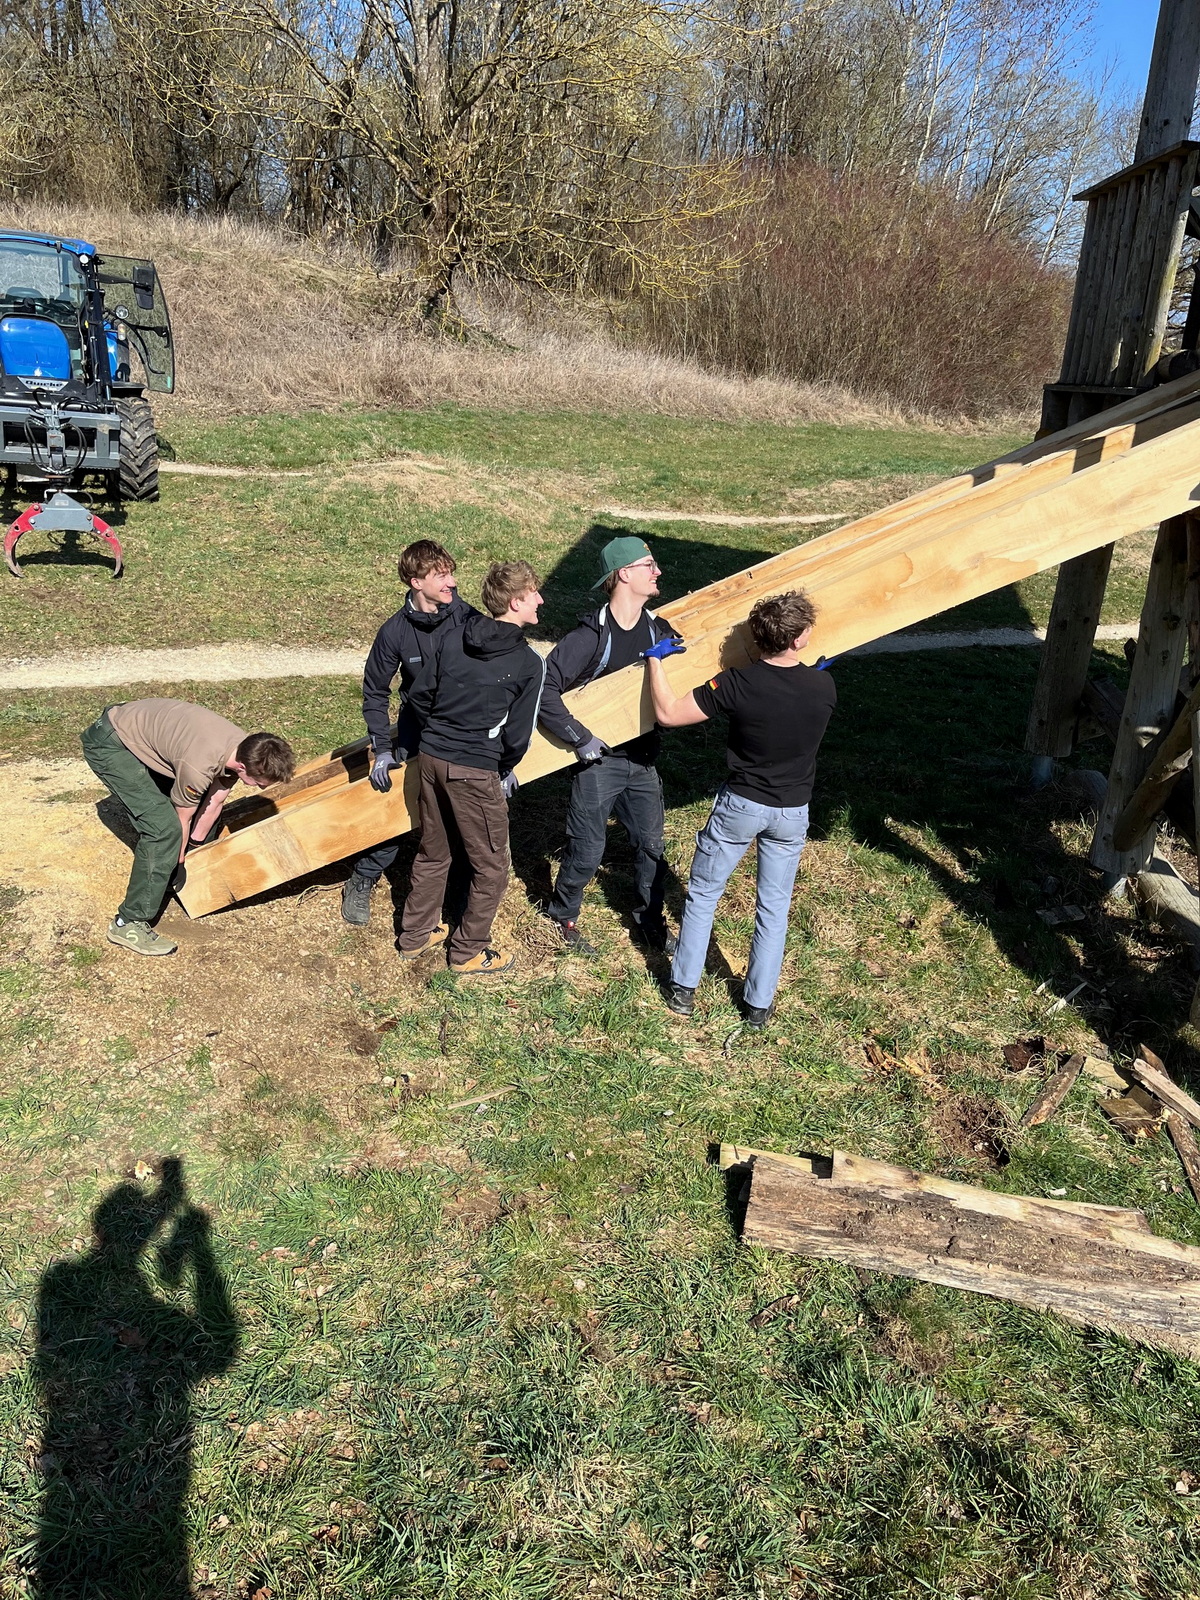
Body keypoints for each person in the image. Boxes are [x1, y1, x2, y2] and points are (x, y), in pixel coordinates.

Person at [644, 589, 835, 1028]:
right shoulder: (824, 686)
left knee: (705, 895)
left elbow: (669, 714)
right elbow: (802, 696)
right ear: (801, 639)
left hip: (741, 805)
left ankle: (684, 989)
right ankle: (757, 1005)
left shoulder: (737, 683)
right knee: (773, 906)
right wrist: (815, 676)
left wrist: (655, 661)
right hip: (792, 813)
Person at [397, 560, 547, 976]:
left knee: (433, 851)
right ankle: (467, 951)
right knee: (492, 866)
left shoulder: (451, 637)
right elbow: (518, 734)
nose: (541, 599)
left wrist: (440, 735)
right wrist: (498, 764)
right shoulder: (528, 663)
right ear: (516, 602)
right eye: (534, 593)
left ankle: (415, 935)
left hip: (430, 760)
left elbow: (421, 694)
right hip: (475, 770)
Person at [538, 534, 680, 954]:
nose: (658, 572)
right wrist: (580, 738)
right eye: (648, 565)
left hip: (643, 759)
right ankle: (562, 914)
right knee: (587, 848)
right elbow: (544, 687)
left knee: (651, 846)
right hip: (600, 762)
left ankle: (650, 921)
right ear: (623, 574)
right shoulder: (590, 636)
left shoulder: (659, 628)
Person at [81, 698, 295, 957]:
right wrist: (177, 862)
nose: (262, 787)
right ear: (242, 768)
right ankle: (128, 923)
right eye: (261, 782)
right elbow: (181, 820)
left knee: (195, 818)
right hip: (111, 744)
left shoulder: (245, 749)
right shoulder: (199, 765)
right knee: (164, 830)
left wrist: (195, 850)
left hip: (145, 731)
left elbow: (215, 800)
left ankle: (175, 875)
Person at [342, 538, 479, 925]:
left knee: (460, 814)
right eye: (441, 575)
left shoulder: (467, 619)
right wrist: (382, 748)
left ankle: (456, 894)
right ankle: (364, 876)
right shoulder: (395, 632)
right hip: (418, 730)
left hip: (462, 733)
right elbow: (374, 691)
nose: (452, 582)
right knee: (398, 809)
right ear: (417, 582)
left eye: (451, 573)